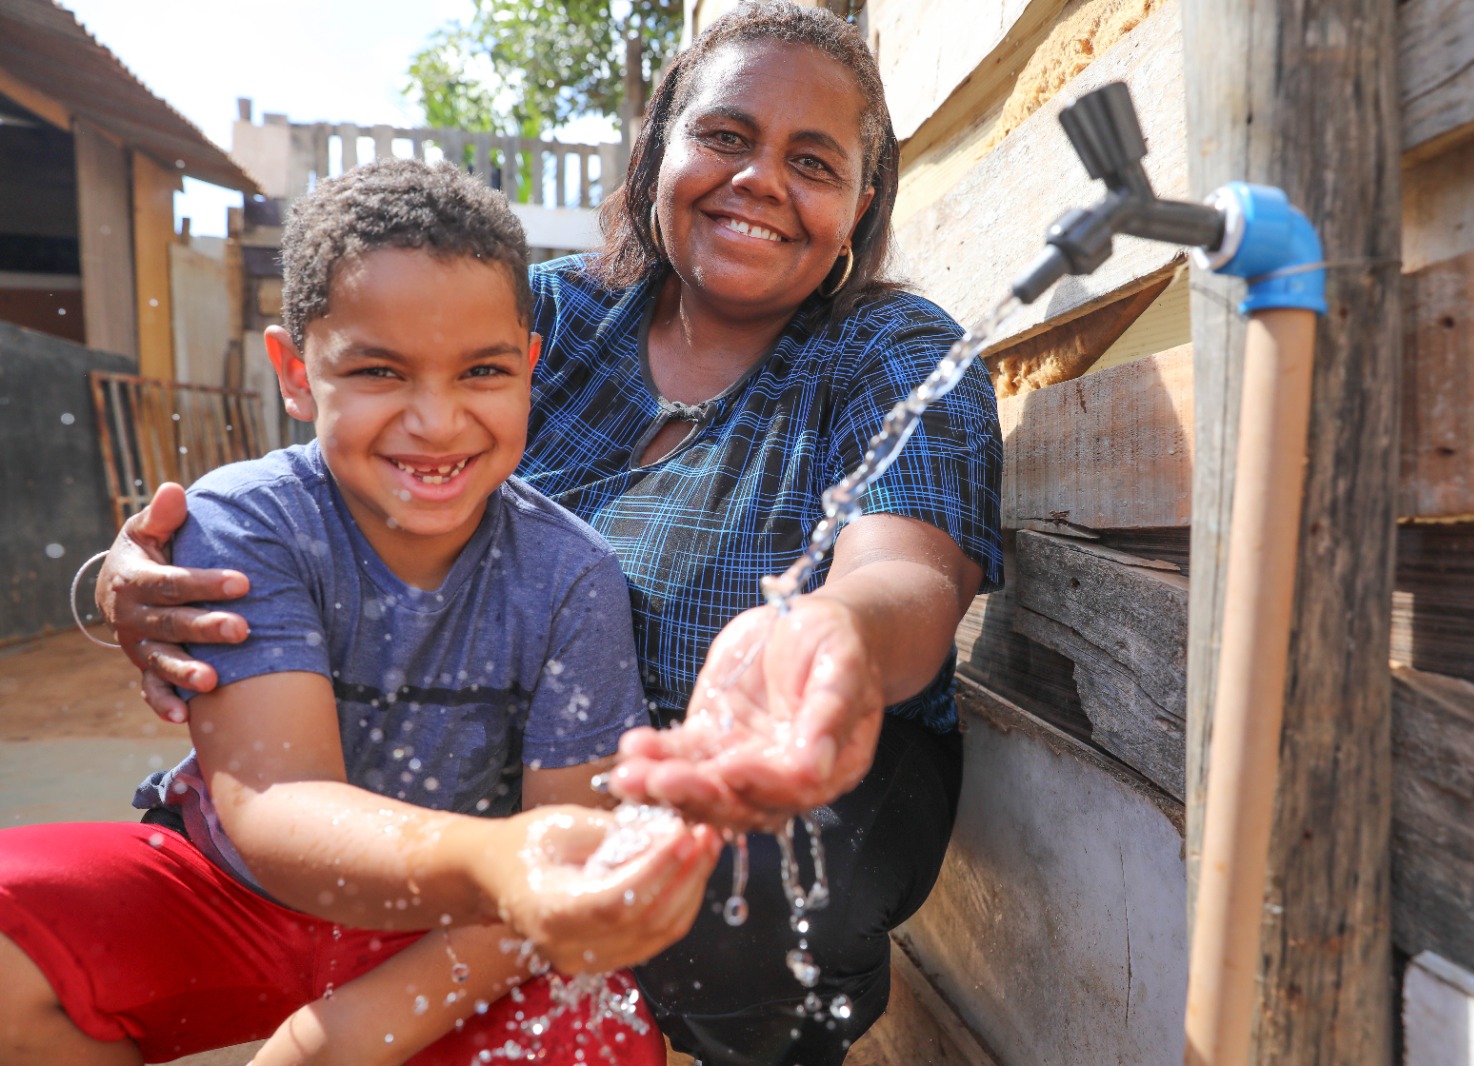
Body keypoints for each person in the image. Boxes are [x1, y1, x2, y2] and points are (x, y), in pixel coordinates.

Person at [94, 4, 1004, 1063]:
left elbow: (906, 577)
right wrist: (139, 563)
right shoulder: (544, 319)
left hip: (800, 753)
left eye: (813, 159)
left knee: (733, 895)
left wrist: (830, 636)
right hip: (522, 758)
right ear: (659, 144)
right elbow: (328, 469)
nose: (759, 178)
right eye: (725, 136)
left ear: (861, 202)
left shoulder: (893, 353)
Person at [0, 159, 722, 1066]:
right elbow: (277, 807)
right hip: (230, 896)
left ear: (530, 368)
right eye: (379, 370)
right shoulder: (246, 523)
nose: (437, 420)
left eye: (483, 372)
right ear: (296, 373)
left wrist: (327, 1037)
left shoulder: (572, 575)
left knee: (603, 1037)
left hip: (449, 934)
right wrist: (501, 859)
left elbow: (550, 880)